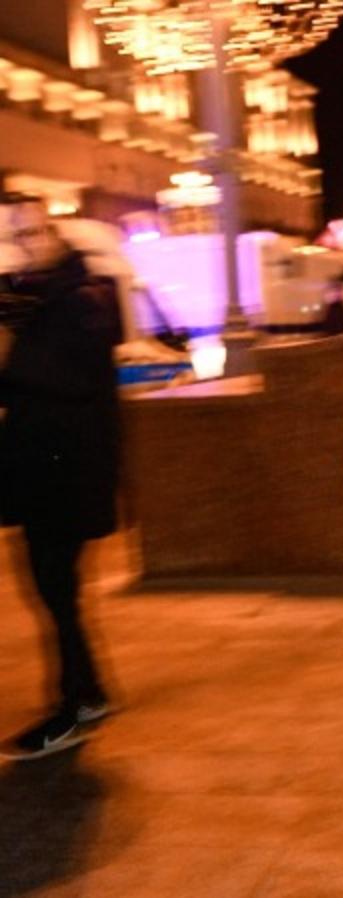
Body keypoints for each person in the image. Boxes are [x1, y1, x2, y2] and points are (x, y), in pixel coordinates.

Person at [0, 194, 122, 760]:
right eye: (15, 236)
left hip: (64, 476)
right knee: (57, 591)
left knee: (55, 588)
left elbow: (49, 378)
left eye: (30, 233)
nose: (22, 246)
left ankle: (71, 705)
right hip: (49, 472)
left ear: (54, 232)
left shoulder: (80, 299)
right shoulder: (53, 295)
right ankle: (88, 691)